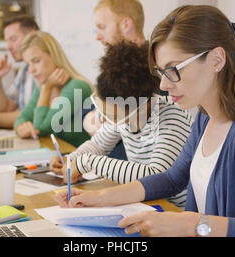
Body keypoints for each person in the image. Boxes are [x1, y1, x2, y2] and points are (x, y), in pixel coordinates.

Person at [55, 5, 235, 237]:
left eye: (173, 70)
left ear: (216, 60)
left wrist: (193, 224)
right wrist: (99, 199)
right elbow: (171, 178)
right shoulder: (205, 118)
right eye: (161, 73)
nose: (164, 85)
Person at [52, 41, 192, 208]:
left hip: (174, 211)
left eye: (111, 115)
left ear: (138, 108)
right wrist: (71, 159)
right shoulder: (123, 116)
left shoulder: (172, 117)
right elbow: (97, 145)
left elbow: (155, 176)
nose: (106, 120)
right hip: (144, 204)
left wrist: (88, 162)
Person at [83, 0, 152, 160]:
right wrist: (96, 117)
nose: (98, 37)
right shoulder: (116, 66)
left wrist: (98, 118)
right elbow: (87, 108)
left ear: (126, 24)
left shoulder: (153, 71)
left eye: (102, 27)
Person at [13, 31, 93, 147]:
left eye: (36, 61)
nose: (31, 70)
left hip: (81, 161)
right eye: (28, 64)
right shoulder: (41, 87)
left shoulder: (77, 87)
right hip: (60, 157)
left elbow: (41, 128)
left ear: (54, 56)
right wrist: (21, 127)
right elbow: (22, 118)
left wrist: (46, 88)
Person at [0, 16, 39, 130]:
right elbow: (5, 109)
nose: (8, 47)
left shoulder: (46, 69)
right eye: (7, 41)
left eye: (13, 39)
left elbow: (34, 116)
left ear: (32, 36)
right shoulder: (25, 69)